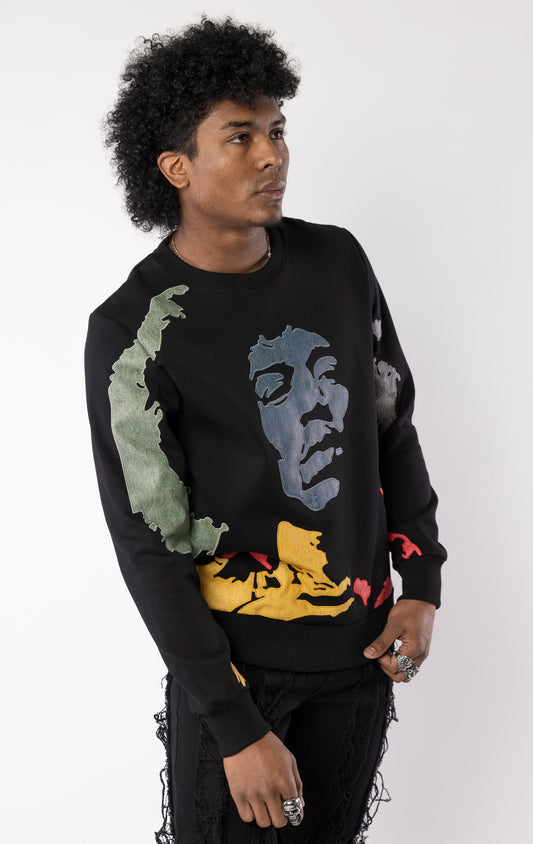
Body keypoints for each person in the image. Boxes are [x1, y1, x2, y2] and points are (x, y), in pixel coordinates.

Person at [84, 15, 447, 844]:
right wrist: (234, 726)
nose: (271, 156)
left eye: (276, 130)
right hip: (238, 680)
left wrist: (421, 581)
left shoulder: (337, 262)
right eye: (239, 136)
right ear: (176, 167)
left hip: (359, 659)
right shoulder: (134, 332)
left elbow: (390, 429)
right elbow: (149, 545)